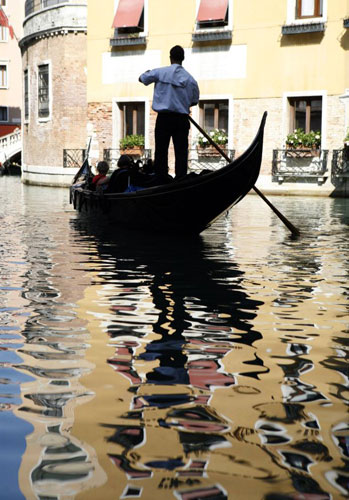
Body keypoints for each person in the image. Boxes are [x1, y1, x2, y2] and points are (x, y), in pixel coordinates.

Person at [139, 45, 199, 179]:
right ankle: (181, 180)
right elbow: (194, 101)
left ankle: (161, 178)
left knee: (161, 151)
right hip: (181, 119)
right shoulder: (191, 80)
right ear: (183, 58)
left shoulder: (160, 73)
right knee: (181, 152)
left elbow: (142, 78)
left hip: (164, 119)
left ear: (170, 57)